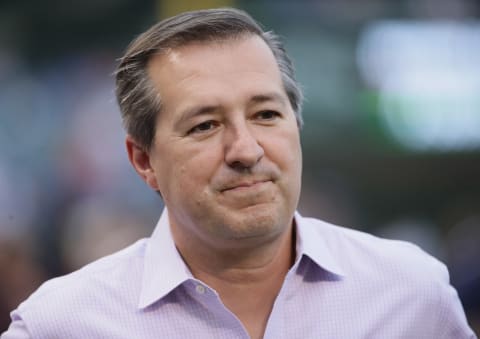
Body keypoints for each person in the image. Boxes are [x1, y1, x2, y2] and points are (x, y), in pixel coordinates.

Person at [1, 7, 477, 339]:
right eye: (205, 125)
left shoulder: (411, 294)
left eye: (266, 115)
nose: (246, 150)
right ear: (143, 160)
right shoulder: (64, 324)